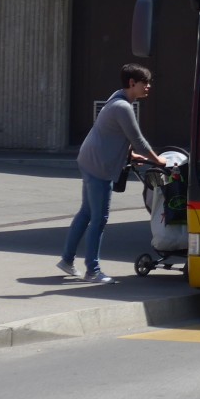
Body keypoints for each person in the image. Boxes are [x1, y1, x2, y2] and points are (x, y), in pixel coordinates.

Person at [58, 63, 166, 284]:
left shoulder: (116, 99)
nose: (148, 87)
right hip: (100, 166)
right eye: (145, 83)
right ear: (132, 83)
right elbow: (139, 141)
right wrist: (159, 160)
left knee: (86, 213)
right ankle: (93, 271)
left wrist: (129, 155)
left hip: (89, 160)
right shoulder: (123, 107)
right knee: (99, 218)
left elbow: (116, 134)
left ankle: (67, 260)